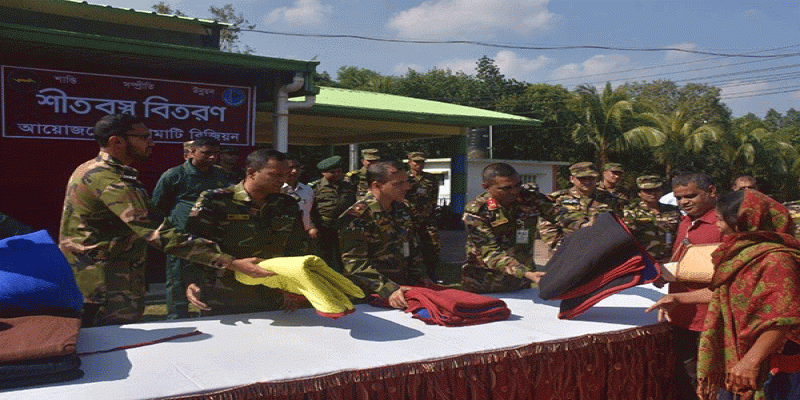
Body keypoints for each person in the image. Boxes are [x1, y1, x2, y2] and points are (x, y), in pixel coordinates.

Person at [58, 113, 268, 327]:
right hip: (103, 288)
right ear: (116, 141)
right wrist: (230, 262)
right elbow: (158, 232)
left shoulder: (97, 170)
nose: (152, 142)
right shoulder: (109, 180)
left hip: (106, 281)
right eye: (144, 137)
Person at [648, 189, 800, 400]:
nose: (718, 225)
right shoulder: (743, 253)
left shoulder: (777, 261)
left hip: (774, 364)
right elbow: (726, 291)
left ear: (743, 220)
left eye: (721, 219)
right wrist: (679, 298)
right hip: (743, 357)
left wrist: (750, 362)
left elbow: (783, 318)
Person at [184, 149, 305, 316]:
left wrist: (292, 287)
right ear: (252, 173)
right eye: (276, 175)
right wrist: (192, 281)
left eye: (285, 175)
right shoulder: (216, 200)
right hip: (224, 293)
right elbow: (193, 243)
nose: (283, 181)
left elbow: (297, 247)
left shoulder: (287, 204)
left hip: (273, 292)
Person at [649, 172, 723, 400]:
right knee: (684, 375)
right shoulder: (684, 222)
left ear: (711, 191)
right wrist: (667, 273)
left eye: (691, 196)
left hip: (710, 317)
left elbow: (727, 277)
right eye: (679, 198)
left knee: (707, 382)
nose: (684, 202)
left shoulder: (724, 224)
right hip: (680, 314)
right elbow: (686, 262)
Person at [151, 136, 229, 319]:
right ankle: (177, 319)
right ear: (192, 152)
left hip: (210, 237)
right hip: (181, 237)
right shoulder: (174, 174)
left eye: (215, 154)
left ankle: (209, 316)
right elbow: (157, 206)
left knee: (210, 278)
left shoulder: (219, 174)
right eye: (206, 153)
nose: (212, 158)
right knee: (178, 280)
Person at [337, 160, 432, 309]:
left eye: (406, 182)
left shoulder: (402, 209)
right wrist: (389, 289)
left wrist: (422, 278)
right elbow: (354, 264)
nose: (407, 187)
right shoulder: (357, 217)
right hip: (367, 298)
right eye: (398, 184)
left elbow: (412, 248)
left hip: (404, 292)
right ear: (377, 185)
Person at [461, 163, 551, 293]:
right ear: (486, 187)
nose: (514, 191)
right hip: (485, 282)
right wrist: (526, 273)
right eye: (506, 188)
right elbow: (490, 253)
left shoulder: (528, 199)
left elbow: (561, 216)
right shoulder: (477, 211)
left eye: (517, 185)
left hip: (521, 282)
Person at [538, 161, 623, 251]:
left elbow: (618, 223)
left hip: (599, 249)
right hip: (566, 249)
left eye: (591, 178)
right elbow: (546, 224)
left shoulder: (611, 199)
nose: (587, 182)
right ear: (572, 179)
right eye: (582, 178)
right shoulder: (557, 198)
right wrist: (559, 245)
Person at [309, 155, 355, 272]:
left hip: (344, 227)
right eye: (332, 172)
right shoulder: (315, 188)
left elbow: (354, 204)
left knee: (345, 257)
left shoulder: (348, 186)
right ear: (323, 173)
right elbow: (310, 209)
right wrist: (312, 227)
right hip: (324, 227)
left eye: (339, 171)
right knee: (325, 257)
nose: (336, 174)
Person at [622, 175, 681, 262]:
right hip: (644, 261)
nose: (653, 193)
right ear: (639, 193)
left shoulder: (673, 210)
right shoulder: (631, 212)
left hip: (670, 259)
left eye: (657, 190)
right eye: (648, 191)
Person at [404, 151, 442, 280]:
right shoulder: (404, 178)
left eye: (422, 162)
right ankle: (410, 274)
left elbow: (434, 197)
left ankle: (431, 274)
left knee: (433, 245)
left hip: (426, 219)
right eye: (416, 162)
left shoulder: (430, 179)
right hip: (409, 218)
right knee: (408, 246)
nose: (419, 165)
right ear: (410, 163)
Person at [282, 153, 318, 242]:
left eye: (297, 167)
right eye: (290, 167)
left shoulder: (307, 190)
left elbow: (312, 212)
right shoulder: (274, 190)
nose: (294, 171)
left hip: (305, 236)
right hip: (281, 236)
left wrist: (312, 227)